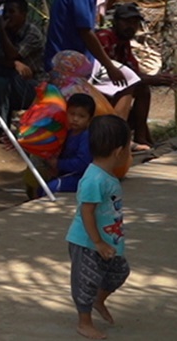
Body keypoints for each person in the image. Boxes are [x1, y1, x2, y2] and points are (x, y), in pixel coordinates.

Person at [66, 115, 133, 340]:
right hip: (86, 242)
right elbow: (86, 212)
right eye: (128, 148)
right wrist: (98, 242)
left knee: (119, 271)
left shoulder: (107, 176)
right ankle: (83, 322)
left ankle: (99, 300)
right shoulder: (94, 179)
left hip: (106, 242)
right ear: (118, 151)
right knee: (86, 280)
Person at [96, 2, 177, 152]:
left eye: (134, 23)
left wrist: (156, 79)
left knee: (142, 89)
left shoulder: (124, 43)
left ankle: (141, 137)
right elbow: (104, 75)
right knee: (137, 88)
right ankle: (129, 141)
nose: (131, 26)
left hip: (114, 88)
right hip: (100, 89)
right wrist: (153, 79)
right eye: (127, 22)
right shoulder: (104, 38)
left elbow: (133, 72)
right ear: (116, 22)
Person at [0, 0, 45, 127]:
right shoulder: (7, 32)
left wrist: (1, 31)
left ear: (23, 14)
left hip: (32, 86)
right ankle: (0, 126)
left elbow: (13, 54)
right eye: (6, 12)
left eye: (12, 12)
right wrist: (14, 64)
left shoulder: (33, 33)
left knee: (3, 75)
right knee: (1, 81)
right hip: (9, 81)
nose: (7, 15)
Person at [38, 93, 96, 195]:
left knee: (51, 188)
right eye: (72, 114)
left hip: (81, 177)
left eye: (81, 116)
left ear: (89, 119)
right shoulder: (66, 133)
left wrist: (58, 164)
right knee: (40, 186)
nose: (75, 119)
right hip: (66, 173)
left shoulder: (86, 136)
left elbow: (82, 163)